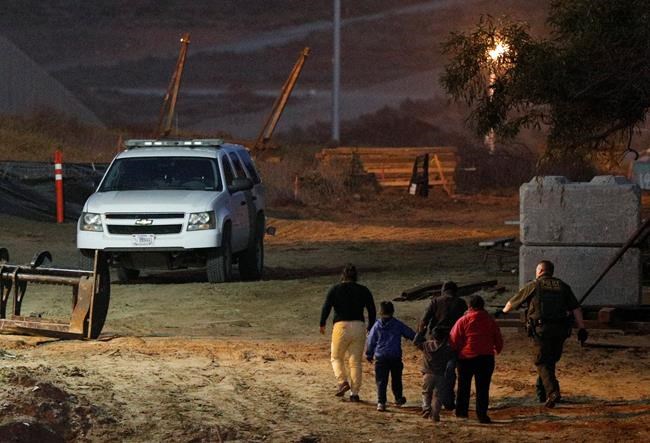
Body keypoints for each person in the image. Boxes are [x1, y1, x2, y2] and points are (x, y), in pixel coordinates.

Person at [499, 259, 587, 408]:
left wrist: (508, 309)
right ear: (551, 272)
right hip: (561, 331)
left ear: (539, 271)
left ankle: (553, 392)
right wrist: (582, 328)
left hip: (541, 331)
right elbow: (576, 308)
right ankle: (542, 393)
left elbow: (508, 307)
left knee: (541, 361)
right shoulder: (563, 286)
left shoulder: (534, 285)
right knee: (550, 360)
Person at [320, 264, 376, 402]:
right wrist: (371, 326)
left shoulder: (335, 289)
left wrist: (322, 323)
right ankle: (355, 393)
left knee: (336, 357)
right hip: (359, 326)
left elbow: (326, 306)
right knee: (355, 361)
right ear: (355, 276)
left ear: (343, 276)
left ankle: (342, 382)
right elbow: (372, 309)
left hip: (341, 326)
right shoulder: (364, 290)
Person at [450, 295, 503, 424]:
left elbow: (454, 339)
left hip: (466, 358)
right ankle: (482, 415)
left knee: (463, 386)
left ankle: (462, 412)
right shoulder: (490, 320)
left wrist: (456, 352)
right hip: (486, 358)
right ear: (483, 306)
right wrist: (497, 349)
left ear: (470, 306)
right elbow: (498, 339)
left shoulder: (463, 320)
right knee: (483, 388)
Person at [418, 281, 467, 410]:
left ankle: (430, 399)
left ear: (443, 290)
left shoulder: (435, 302)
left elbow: (424, 321)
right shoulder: (461, 303)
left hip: (435, 339)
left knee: (434, 369)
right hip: (453, 341)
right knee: (450, 370)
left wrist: (421, 335)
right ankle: (448, 400)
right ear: (455, 291)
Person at [366, 301, 416, 412]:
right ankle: (398, 398)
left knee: (381, 381)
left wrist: (369, 354)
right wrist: (419, 339)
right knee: (396, 379)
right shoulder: (397, 324)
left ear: (380, 312)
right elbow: (410, 333)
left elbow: (371, 341)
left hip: (381, 357)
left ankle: (381, 402)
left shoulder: (377, 325)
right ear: (393, 311)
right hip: (395, 356)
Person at [413, 327, 455, 422]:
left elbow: (415, 342)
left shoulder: (426, 345)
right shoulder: (447, 348)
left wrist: (421, 331)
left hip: (427, 374)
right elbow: (453, 356)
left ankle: (426, 409)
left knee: (426, 392)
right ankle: (435, 415)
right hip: (441, 375)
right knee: (438, 396)